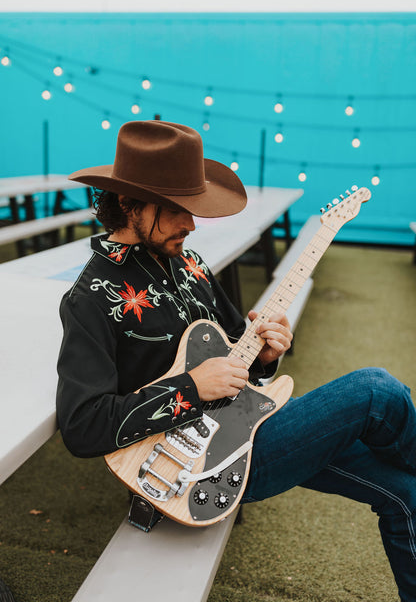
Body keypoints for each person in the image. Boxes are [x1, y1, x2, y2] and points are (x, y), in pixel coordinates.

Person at [57, 120, 416, 601]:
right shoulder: (92, 297)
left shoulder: (190, 264)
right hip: (196, 469)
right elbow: (81, 426)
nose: (191, 223)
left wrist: (263, 355)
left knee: (408, 497)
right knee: (376, 391)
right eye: (178, 210)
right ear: (128, 203)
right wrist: (190, 387)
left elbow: (234, 354)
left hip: (249, 427)